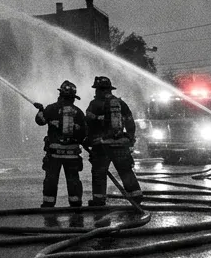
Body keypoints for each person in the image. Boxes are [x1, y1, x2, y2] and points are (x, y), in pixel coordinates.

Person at [85, 76, 143, 206]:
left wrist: (88, 140)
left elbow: (88, 123)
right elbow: (130, 122)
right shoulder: (121, 103)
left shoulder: (94, 104)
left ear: (99, 90)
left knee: (99, 173)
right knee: (126, 171)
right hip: (120, 144)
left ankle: (99, 200)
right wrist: (129, 137)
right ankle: (136, 196)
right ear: (110, 89)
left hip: (101, 146)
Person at [33, 80, 88, 209]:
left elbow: (40, 121)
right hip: (72, 155)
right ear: (73, 97)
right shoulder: (78, 112)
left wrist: (41, 110)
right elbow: (84, 133)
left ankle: (48, 204)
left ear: (60, 95)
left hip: (54, 155)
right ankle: (76, 204)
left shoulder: (51, 109)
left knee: (51, 180)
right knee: (73, 180)